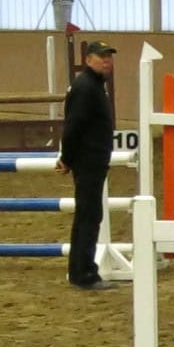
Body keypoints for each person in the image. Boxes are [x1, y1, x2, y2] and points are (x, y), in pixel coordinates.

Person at [56, 40, 118, 291]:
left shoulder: (93, 86)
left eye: (109, 56)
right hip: (88, 160)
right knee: (89, 216)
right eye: (101, 56)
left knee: (88, 215)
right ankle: (85, 274)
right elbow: (74, 125)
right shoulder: (86, 88)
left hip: (92, 159)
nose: (107, 61)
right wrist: (67, 158)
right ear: (88, 59)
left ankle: (79, 270)